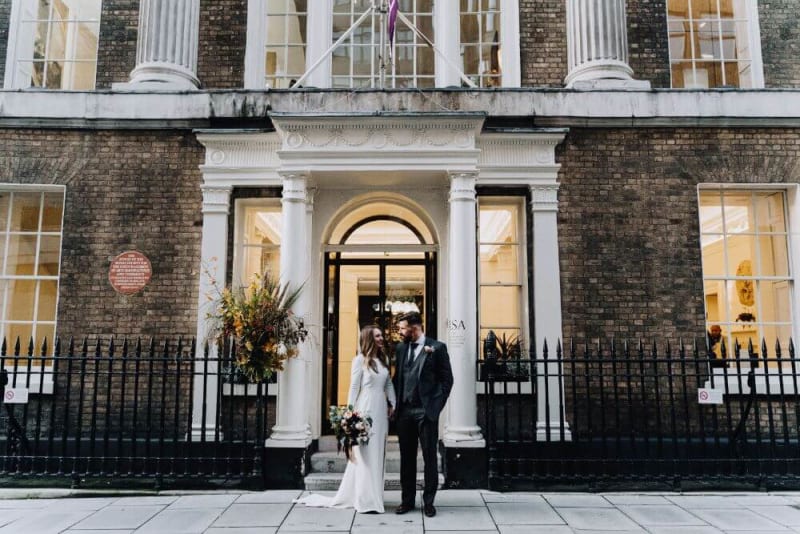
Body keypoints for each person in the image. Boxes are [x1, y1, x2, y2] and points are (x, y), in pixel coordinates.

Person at [294, 324, 396, 513]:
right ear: (369, 339)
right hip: (364, 410)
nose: (382, 338)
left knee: (377, 454)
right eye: (378, 336)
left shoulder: (383, 360)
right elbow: (353, 388)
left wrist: (393, 403)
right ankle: (365, 500)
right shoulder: (359, 361)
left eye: (382, 335)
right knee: (364, 455)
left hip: (381, 413)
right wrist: (349, 414)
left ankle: (376, 496)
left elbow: (388, 384)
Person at [393, 311, 453, 518]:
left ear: (415, 327)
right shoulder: (401, 349)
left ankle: (429, 502)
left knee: (429, 458)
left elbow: (447, 380)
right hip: (405, 412)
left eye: (403, 328)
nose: (400, 332)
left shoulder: (437, 348)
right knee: (406, 459)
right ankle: (407, 500)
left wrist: (435, 407)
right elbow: (397, 378)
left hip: (426, 412)